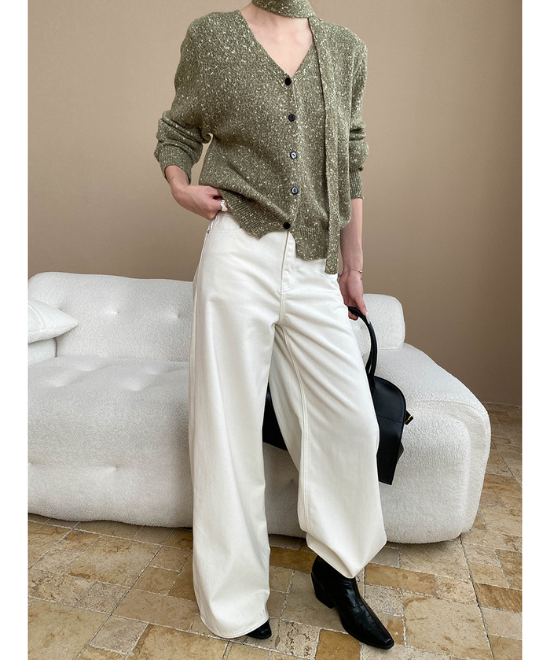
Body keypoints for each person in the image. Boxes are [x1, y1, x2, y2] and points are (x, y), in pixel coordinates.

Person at [154, 0, 394, 650]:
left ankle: (337, 569)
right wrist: (179, 185)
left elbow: (351, 160)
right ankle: (234, 599)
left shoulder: (345, 48)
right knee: (226, 426)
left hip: (315, 263)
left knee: (352, 420)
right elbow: (178, 129)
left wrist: (353, 267)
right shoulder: (213, 37)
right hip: (239, 250)